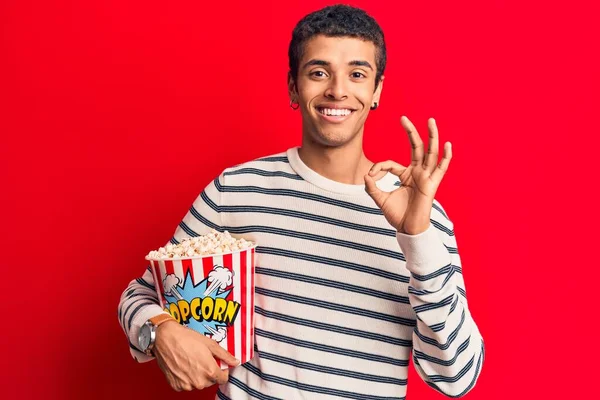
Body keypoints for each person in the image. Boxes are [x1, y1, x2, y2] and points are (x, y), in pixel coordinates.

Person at [118, 4, 485, 399]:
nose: (338, 90)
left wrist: (417, 237)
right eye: (319, 72)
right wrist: (160, 332)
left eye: (357, 74)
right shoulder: (236, 190)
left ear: (376, 89)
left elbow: (457, 378)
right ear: (294, 85)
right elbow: (140, 295)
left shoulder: (421, 217)